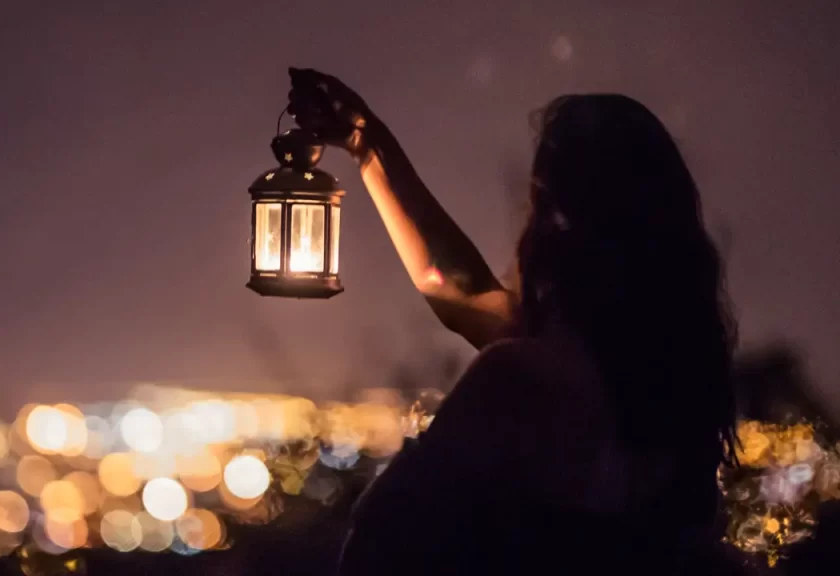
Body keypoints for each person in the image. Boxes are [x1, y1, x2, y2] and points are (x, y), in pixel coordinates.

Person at [287, 68, 749, 574]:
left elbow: (380, 543)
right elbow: (458, 287)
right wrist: (368, 146)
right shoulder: (670, 379)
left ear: (556, 217)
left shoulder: (522, 377)